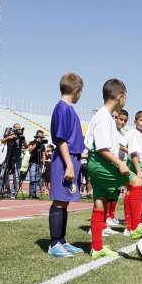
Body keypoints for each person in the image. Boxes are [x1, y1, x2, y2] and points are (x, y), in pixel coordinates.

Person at [84, 79, 142, 258]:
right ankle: (136, 226)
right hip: (101, 161)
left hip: (99, 161)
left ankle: (97, 248)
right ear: (121, 96)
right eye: (126, 97)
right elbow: (101, 148)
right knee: (136, 181)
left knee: (100, 202)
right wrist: (121, 163)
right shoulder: (102, 117)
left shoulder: (106, 116)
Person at [47, 73, 86, 258]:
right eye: (81, 92)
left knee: (65, 201)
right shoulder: (62, 109)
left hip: (73, 158)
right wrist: (69, 165)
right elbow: (61, 140)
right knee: (59, 201)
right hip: (65, 159)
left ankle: (62, 240)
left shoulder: (68, 109)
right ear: (76, 91)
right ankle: (54, 243)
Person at [26, 130, 47, 199]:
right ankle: (31, 193)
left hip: (39, 163)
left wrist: (43, 163)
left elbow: (43, 154)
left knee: (37, 179)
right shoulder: (32, 142)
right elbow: (30, 150)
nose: (40, 138)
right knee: (32, 178)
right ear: (36, 136)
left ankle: (34, 193)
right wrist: (36, 143)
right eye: (39, 136)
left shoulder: (42, 145)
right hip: (32, 162)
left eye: (41, 137)